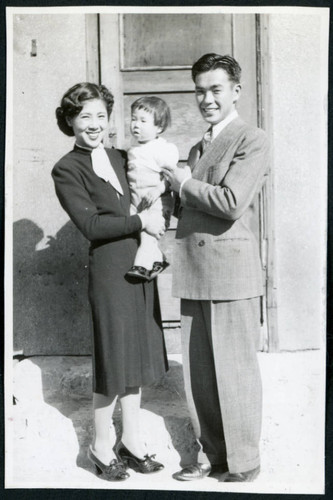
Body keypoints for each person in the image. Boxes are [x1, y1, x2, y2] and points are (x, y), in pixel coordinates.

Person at [52, 83, 168, 481]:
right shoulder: (67, 168)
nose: (95, 124)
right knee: (113, 357)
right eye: (85, 116)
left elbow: (150, 187)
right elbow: (90, 224)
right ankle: (102, 444)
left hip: (138, 268)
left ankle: (131, 442)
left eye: (101, 115)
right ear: (70, 121)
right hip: (108, 271)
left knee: (134, 355)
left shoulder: (122, 156)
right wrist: (141, 221)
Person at [162, 53, 270, 483]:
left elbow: (230, 202)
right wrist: (167, 190)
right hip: (194, 268)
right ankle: (212, 457)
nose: (206, 99)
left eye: (215, 89)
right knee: (200, 374)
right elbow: (186, 206)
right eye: (200, 90)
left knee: (236, 370)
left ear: (235, 91)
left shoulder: (252, 138)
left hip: (231, 271)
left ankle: (244, 463)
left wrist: (184, 184)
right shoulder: (196, 146)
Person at [126, 96, 179, 281]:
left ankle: (141, 267)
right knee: (136, 230)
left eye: (142, 121)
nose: (136, 125)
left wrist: (158, 189)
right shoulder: (133, 149)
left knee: (149, 235)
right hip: (137, 201)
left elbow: (172, 177)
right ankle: (158, 259)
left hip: (157, 201)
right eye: (133, 119)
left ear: (159, 127)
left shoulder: (163, 149)